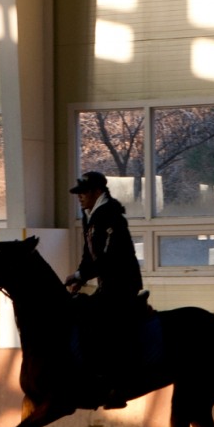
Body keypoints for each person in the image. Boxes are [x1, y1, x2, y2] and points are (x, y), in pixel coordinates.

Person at [65, 171, 147, 408]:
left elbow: (111, 257)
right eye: (78, 193)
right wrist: (80, 276)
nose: (79, 197)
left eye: (83, 192)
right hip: (106, 283)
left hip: (123, 283)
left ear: (97, 192)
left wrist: (82, 274)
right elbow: (88, 253)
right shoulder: (89, 215)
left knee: (105, 323)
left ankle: (118, 383)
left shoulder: (111, 215)